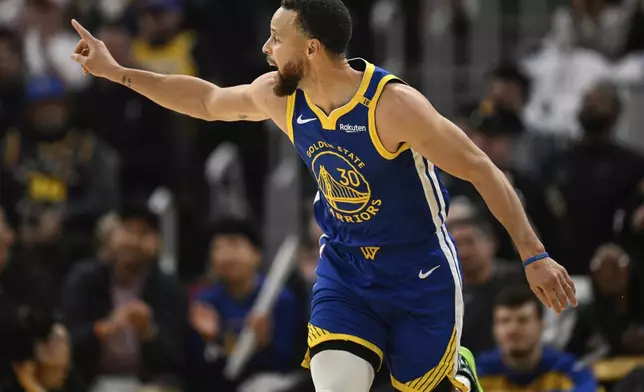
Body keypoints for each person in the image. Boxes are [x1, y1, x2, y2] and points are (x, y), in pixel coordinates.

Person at [68, 0, 577, 390]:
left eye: (275, 39)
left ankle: (456, 374)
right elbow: (206, 100)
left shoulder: (394, 106)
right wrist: (118, 73)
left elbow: (481, 169)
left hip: (418, 272)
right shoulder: (281, 96)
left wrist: (534, 254)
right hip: (346, 270)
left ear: (309, 48)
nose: (266, 49)